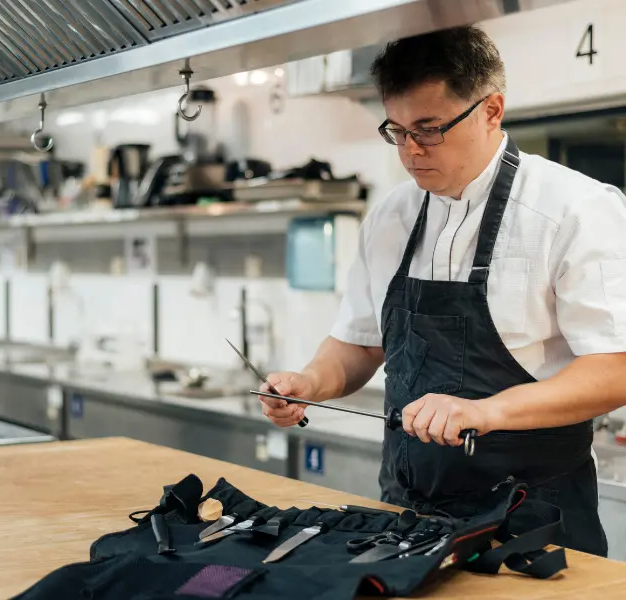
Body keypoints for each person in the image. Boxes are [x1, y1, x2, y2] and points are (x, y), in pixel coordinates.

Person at [259, 25, 626, 557]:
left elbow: (614, 368)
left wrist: (486, 412)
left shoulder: (574, 210)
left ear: (491, 110)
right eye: (397, 130)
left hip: (532, 523)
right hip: (405, 517)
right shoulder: (389, 215)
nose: (410, 151)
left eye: (429, 129)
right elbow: (362, 344)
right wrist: (309, 382)